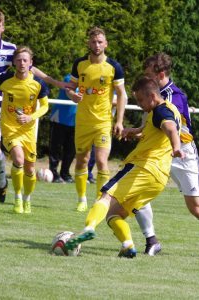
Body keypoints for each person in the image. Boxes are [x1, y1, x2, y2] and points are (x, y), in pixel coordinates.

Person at [0, 8, 68, 204]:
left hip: (1, 108)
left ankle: (1, 184)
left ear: (3, 28)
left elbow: (29, 68)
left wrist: (56, 83)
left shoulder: (10, 49)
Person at [65, 77, 184, 257]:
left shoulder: (161, 111)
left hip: (144, 168)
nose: (139, 105)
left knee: (105, 196)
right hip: (158, 179)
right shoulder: (168, 108)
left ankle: (88, 228)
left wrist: (176, 147)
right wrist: (134, 133)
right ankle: (128, 246)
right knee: (114, 215)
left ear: (152, 96)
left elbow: (170, 128)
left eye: (141, 100)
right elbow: (154, 132)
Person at [131, 53, 199, 258]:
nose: (146, 78)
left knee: (196, 209)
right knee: (135, 190)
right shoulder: (151, 94)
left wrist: (140, 132)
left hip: (182, 153)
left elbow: (169, 127)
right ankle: (151, 240)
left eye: (149, 74)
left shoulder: (175, 97)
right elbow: (151, 127)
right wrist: (135, 132)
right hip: (157, 152)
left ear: (160, 74)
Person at [66, 26, 127, 212]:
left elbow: (122, 95)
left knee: (101, 161)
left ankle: (99, 200)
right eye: (93, 41)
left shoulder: (114, 67)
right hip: (83, 122)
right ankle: (81, 198)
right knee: (82, 161)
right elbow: (70, 88)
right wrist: (72, 95)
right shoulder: (80, 64)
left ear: (106, 44)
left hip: (103, 122)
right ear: (88, 43)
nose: (97, 45)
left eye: (100, 41)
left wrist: (119, 121)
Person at [0, 46, 50, 214]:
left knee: (30, 169)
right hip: (9, 128)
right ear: (14, 62)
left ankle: (27, 199)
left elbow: (45, 106)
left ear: (30, 63)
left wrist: (31, 117)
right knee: (19, 159)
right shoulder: (5, 79)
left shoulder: (38, 83)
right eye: (19, 60)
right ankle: (17, 198)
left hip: (28, 131)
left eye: (25, 60)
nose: (22, 63)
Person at [49, 74, 76, 183]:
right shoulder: (69, 78)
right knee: (56, 148)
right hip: (60, 118)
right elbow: (69, 93)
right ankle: (54, 173)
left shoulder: (89, 81)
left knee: (71, 150)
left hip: (76, 119)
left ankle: (65, 174)